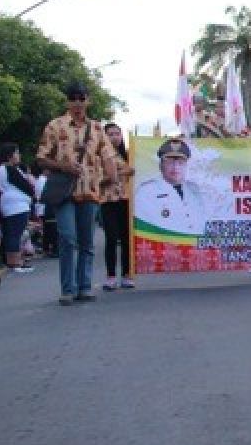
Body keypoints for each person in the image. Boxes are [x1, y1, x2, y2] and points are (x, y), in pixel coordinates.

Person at [36, 82, 118, 305]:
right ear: (67, 101)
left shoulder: (97, 128)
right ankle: (67, 289)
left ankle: (84, 286)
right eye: (73, 98)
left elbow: (108, 156)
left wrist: (113, 179)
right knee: (67, 237)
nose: (78, 103)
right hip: (64, 192)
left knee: (87, 242)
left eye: (82, 98)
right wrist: (63, 166)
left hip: (90, 190)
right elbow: (41, 157)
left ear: (88, 101)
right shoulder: (55, 126)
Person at [132, 138, 206, 237]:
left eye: (180, 163)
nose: (176, 168)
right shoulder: (146, 192)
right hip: (163, 247)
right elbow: (143, 228)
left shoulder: (194, 190)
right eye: (170, 162)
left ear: (186, 166)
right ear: (161, 165)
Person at [99, 124, 135, 291]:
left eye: (117, 133)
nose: (114, 137)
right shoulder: (99, 156)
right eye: (110, 134)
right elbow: (98, 180)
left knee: (127, 238)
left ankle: (127, 274)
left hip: (126, 199)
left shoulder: (128, 155)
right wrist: (120, 174)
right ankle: (111, 275)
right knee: (111, 238)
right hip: (108, 200)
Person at [0, 143, 35, 273]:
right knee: (15, 234)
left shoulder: (4, 169)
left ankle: (16, 261)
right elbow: (26, 186)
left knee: (14, 234)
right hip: (16, 206)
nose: (19, 155)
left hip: (14, 205)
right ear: (10, 156)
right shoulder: (8, 168)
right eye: (16, 153)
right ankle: (14, 263)